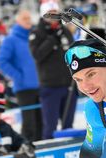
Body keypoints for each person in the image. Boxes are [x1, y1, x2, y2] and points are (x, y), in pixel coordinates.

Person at [29, 1, 77, 139]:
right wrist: (52, 39)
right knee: (50, 125)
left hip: (69, 84)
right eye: (51, 14)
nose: (54, 17)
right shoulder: (37, 33)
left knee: (68, 124)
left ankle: (69, 151)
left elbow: (73, 51)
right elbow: (37, 55)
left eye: (56, 14)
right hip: (50, 86)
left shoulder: (64, 31)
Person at [0, 9, 42, 142]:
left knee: (42, 122)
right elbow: (2, 61)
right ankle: (27, 150)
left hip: (41, 84)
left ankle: (43, 147)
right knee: (29, 124)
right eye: (24, 18)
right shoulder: (10, 40)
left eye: (29, 18)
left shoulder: (35, 36)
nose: (28, 21)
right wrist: (18, 76)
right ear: (17, 21)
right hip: (24, 88)